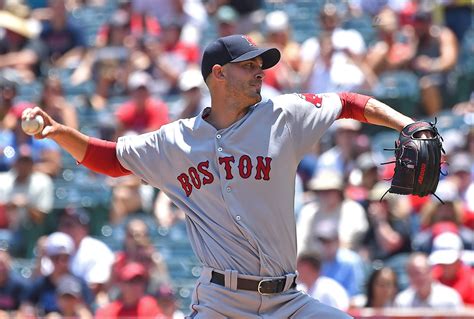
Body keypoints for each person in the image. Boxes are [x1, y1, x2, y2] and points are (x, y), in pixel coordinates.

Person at [24, 34, 428, 318]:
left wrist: (409, 124)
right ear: (218, 74)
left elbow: (348, 102)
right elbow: (111, 159)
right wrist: (59, 132)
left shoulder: (283, 115)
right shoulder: (176, 141)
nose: (260, 72)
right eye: (248, 65)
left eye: (261, 65)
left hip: (287, 300)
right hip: (221, 303)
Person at [394, 252, 463, 309]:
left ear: (430, 272)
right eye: (411, 274)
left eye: (419, 273)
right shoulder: (402, 301)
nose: (416, 278)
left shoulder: (450, 298)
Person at [95, 262, 163, 318]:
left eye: (140, 281)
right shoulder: (107, 312)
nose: (138, 286)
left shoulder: (151, 305)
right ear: (121, 285)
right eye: (132, 282)